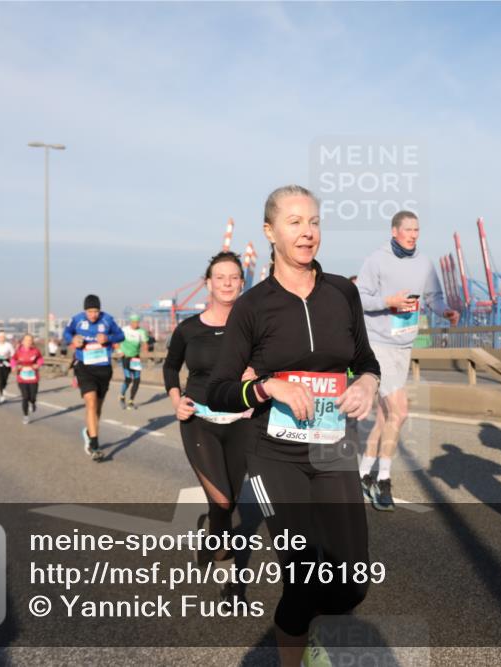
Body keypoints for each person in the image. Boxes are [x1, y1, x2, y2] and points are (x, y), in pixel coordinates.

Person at [207, 185, 380, 667]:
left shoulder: (342, 292)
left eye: (315, 222)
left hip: (333, 450)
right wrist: (267, 388)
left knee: (350, 583)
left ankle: (318, 632)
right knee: (304, 575)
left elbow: (366, 360)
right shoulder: (253, 306)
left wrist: (366, 384)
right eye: (295, 222)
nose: (308, 233)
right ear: (270, 231)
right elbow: (218, 388)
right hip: (272, 452)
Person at [354, 210, 459, 510]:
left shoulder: (424, 263)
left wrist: (444, 311)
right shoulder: (377, 260)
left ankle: (362, 474)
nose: (414, 234)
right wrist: (388, 301)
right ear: (395, 231)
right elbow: (358, 297)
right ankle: (383, 480)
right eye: (408, 229)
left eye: (417, 229)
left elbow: (433, 297)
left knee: (386, 418)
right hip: (379, 345)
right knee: (400, 411)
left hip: (404, 345)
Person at [164, 252, 253, 589]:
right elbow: (171, 367)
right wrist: (176, 401)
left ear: (242, 283)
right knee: (224, 500)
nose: (227, 283)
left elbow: (272, 364)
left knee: (226, 498)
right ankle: (229, 578)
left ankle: (209, 537)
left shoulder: (253, 328)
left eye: (233, 277)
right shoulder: (189, 329)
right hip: (199, 420)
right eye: (220, 277)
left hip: (242, 422)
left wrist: (258, 371)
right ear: (208, 283)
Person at [63, 295, 125, 461]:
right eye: (90, 311)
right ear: (85, 310)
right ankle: (95, 445)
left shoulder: (107, 320)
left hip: (103, 368)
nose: (93, 315)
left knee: (97, 407)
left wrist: (108, 338)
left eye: (96, 311)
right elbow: (66, 333)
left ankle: (89, 431)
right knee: (90, 402)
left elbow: (121, 335)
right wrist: (73, 339)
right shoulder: (76, 320)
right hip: (84, 367)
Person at [118, 314, 150, 410]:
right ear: (130, 322)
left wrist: (145, 349)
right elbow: (116, 342)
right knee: (128, 379)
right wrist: (119, 351)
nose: (136, 324)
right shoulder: (124, 330)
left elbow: (145, 343)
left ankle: (131, 401)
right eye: (134, 322)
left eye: (137, 322)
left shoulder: (141, 331)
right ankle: (122, 396)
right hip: (126, 357)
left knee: (137, 380)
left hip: (135, 358)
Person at [13, 334, 44, 425]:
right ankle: (26, 416)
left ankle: (33, 403)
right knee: (25, 396)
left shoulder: (35, 351)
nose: (28, 342)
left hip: (33, 377)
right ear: (23, 342)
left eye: (30, 340)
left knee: (33, 396)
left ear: (32, 342)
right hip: (22, 378)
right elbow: (13, 360)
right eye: (26, 340)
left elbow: (40, 359)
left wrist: (38, 364)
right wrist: (14, 366)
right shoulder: (18, 351)